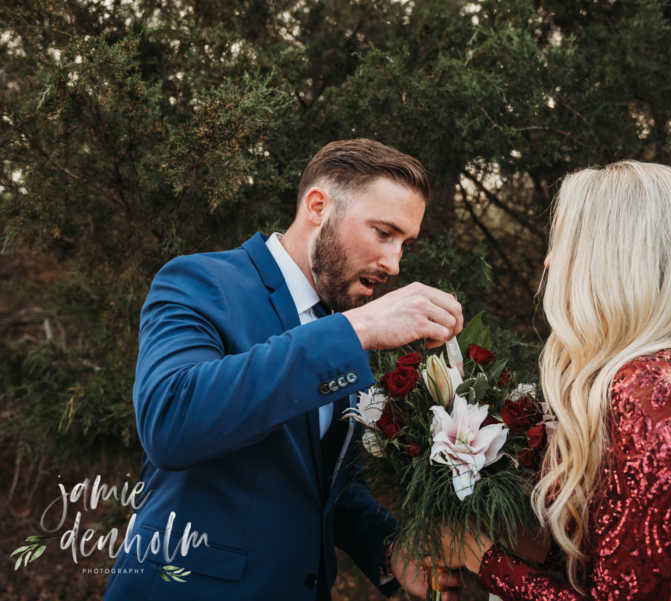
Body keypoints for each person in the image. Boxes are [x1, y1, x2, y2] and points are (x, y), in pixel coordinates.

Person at [103, 139, 463, 601]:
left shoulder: (335, 325)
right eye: (383, 233)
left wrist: (390, 549)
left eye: (404, 245)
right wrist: (356, 330)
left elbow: (319, 479)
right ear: (318, 206)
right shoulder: (199, 281)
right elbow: (171, 421)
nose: (393, 263)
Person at [438, 161, 671, 600]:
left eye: (565, 244)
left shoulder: (654, 396)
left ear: (614, 261)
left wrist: (483, 558)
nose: (550, 260)